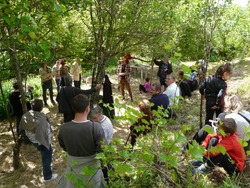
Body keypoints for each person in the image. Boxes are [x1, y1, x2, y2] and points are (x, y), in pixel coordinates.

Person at [57, 94, 105, 188]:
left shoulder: (63, 128)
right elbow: (101, 150)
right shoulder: (96, 127)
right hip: (92, 170)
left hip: (73, 167)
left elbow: (63, 146)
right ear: (88, 108)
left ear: (73, 109)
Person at [19, 99, 58, 181]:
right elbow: (45, 134)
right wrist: (48, 142)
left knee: (44, 155)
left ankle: (45, 170)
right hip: (41, 142)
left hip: (33, 140)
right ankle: (47, 176)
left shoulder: (26, 115)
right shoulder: (42, 120)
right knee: (47, 157)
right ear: (41, 108)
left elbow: (23, 128)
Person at [88, 105, 114, 183]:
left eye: (95, 118)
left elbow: (101, 142)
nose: (93, 120)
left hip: (104, 148)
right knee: (107, 163)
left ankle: (107, 181)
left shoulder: (104, 126)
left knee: (104, 166)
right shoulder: (102, 119)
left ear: (100, 114)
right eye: (92, 118)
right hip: (106, 146)